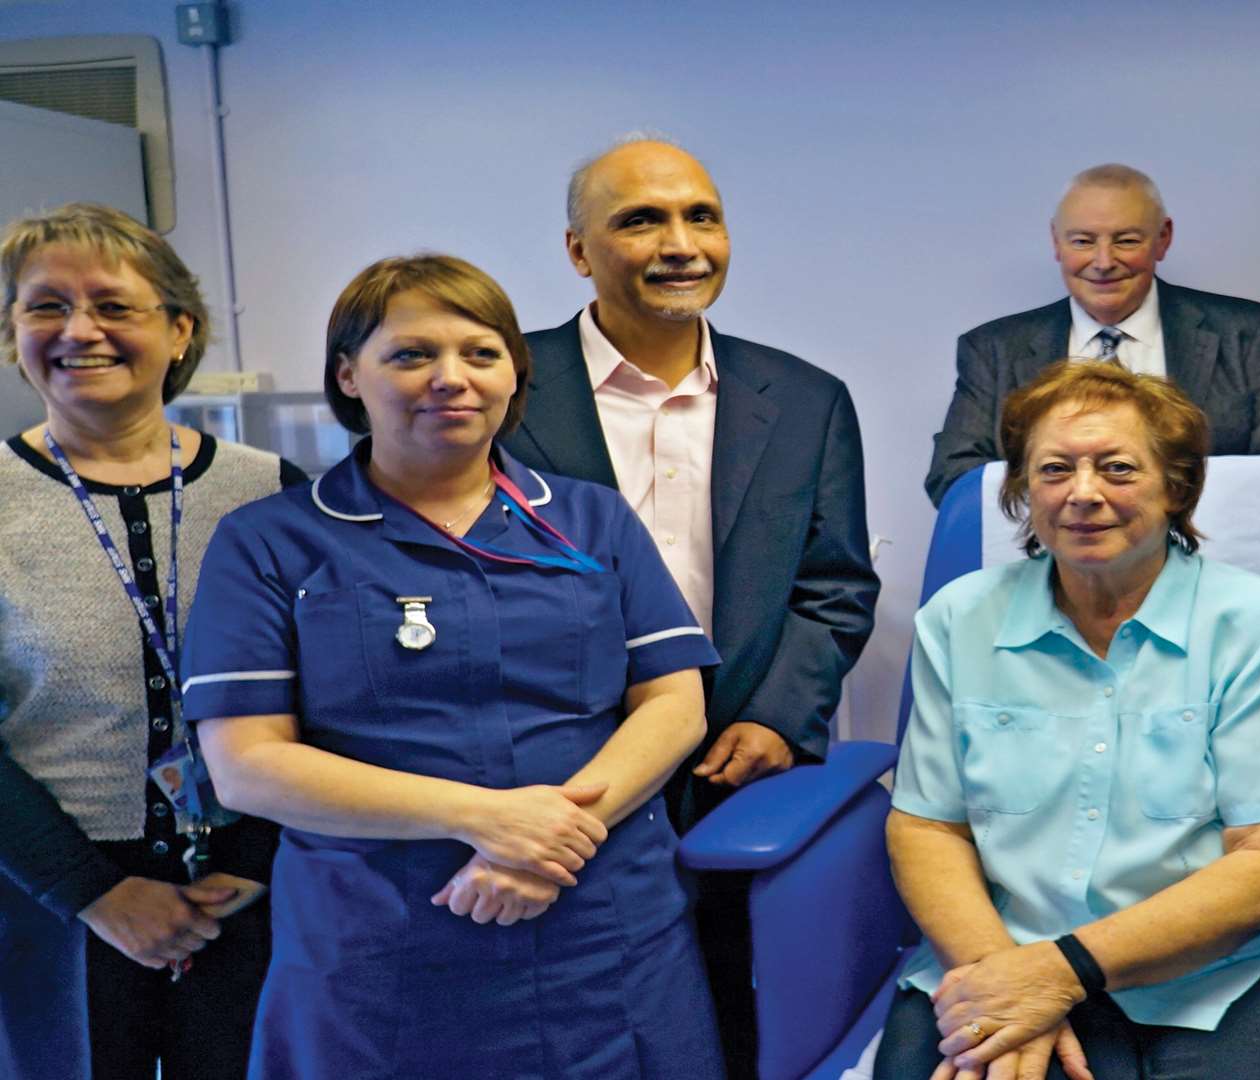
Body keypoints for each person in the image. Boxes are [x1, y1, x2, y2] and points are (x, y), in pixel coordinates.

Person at [179, 254, 725, 1079]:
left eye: (480, 352)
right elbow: (247, 766)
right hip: (381, 939)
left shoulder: (591, 518)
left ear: (514, 372)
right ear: (348, 377)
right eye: (409, 355)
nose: (452, 378)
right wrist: (485, 818)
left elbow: (674, 703)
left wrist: (546, 841)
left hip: (600, 927)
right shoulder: (270, 541)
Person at [878, 360, 1260, 1079]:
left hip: (1243, 968)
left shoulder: (1259, 624)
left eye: (1119, 469)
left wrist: (1063, 972)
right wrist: (1008, 981)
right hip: (1005, 949)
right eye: (1055, 469)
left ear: (1177, 488)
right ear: (1022, 491)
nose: (1084, 494)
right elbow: (928, 826)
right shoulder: (960, 618)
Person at [497, 135, 878, 1076]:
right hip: (552, 773)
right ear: (579, 251)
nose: (681, 243)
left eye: (701, 216)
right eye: (641, 220)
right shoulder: (504, 386)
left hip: (728, 768)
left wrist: (780, 719)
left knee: (724, 1020)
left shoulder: (805, 397)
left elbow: (834, 586)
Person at [0, 203, 301, 1079]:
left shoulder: (274, 492)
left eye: (113, 305)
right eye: (45, 306)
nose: (79, 330)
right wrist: (92, 893)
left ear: (180, 330)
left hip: (251, 886)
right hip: (52, 899)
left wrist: (253, 863)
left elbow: (331, 696)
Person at [924, 163, 1260, 506]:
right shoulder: (994, 348)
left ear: (1163, 238)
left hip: (1214, 563)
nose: (1103, 262)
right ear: (1056, 242)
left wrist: (1159, 512)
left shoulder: (1246, 332)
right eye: (1083, 241)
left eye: (1126, 240)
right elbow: (954, 478)